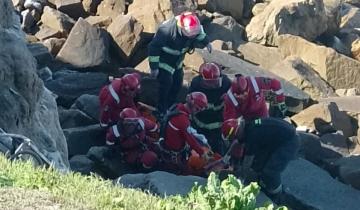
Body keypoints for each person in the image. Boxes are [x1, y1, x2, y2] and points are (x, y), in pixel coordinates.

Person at [148, 11, 212, 114]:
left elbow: (199, 33)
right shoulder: (167, 31)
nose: (192, 36)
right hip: (164, 60)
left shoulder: (193, 26)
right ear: (181, 27)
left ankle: (171, 105)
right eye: (190, 35)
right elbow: (153, 47)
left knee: (178, 83)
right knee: (166, 83)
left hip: (177, 61)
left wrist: (207, 42)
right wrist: (154, 67)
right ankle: (161, 109)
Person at [221, 117, 299, 201]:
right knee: (259, 164)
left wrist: (241, 178)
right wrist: (225, 158)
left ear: (237, 132)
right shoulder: (248, 126)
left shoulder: (252, 135)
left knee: (270, 171)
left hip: (289, 142)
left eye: (235, 137)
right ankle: (264, 183)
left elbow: (248, 160)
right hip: (281, 137)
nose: (236, 139)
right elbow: (237, 142)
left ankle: (278, 195)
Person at [158, 92, 214, 174]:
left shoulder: (176, 107)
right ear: (192, 104)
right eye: (197, 109)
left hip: (167, 145)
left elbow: (188, 132)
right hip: (173, 155)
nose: (197, 112)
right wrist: (202, 153)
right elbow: (190, 140)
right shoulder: (182, 119)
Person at [188, 62, 231, 154]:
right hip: (199, 122)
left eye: (214, 82)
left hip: (217, 125)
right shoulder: (196, 84)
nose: (211, 85)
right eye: (208, 83)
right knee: (198, 147)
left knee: (216, 149)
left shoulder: (226, 84)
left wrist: (229, 97)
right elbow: (189, 102)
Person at [223, 74, 287, 121]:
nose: (242, 97)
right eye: (238, 96)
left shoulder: (255, 82)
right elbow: (229, 119)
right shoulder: (230, 99)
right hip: (246, 118)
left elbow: (276, 84)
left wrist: (281, 102)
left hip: (261, 112)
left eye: (244, 94)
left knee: (264, 126)